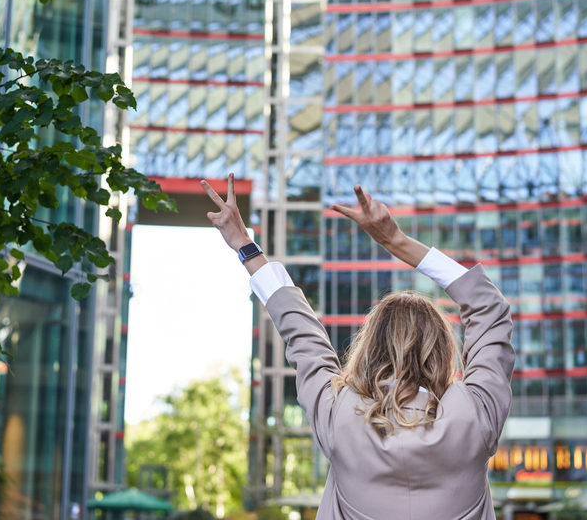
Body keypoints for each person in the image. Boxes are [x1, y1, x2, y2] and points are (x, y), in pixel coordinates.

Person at [202, 174, 515, 520]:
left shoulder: (340, 414)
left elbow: (302, 332)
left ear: (369, 349)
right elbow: (490, 308)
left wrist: (246, 246)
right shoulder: (475, 414)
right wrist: (398, 242)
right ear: (441, 350)